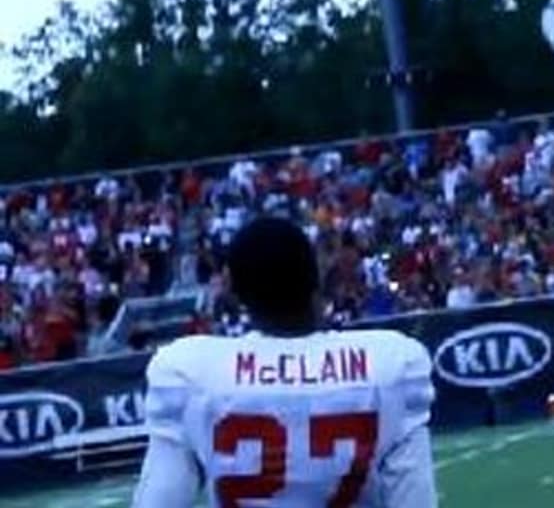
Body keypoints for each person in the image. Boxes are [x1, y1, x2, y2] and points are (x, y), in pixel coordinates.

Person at [132, 217, 437, 507]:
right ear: (315, 278)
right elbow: (414, 498)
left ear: (237, 294)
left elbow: (159, 500)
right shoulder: (391, 364)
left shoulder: (192, 371)